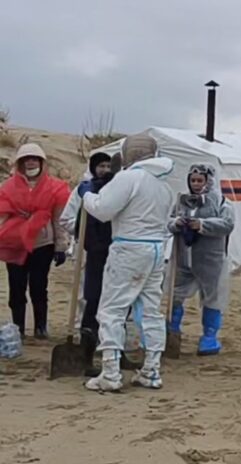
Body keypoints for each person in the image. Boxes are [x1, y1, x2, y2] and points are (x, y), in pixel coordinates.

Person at [81, 134, 174, 392]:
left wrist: (86, 195)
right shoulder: (163, 184)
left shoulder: (129, 178)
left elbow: (103, 209)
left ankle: (110, 373)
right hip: (155, 249)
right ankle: (151, 370)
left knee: (111, 309)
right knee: (151, 310)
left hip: (129, 246)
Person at [0, 143, 70, 339]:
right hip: (15, 243)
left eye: (34, 159)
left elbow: (59, 220)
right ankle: (18, 328)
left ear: (41, 162)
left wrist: (60, 246)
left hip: (42, 243)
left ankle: (40, 326)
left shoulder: (55, 188)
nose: (30, 162)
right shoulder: (7, 187)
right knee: (16, 287)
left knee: (39, 286)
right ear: (20, 163)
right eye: (26, 159)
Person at [167, 164, 235, 356]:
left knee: (212, 298)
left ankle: (209, 337)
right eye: (193, 180)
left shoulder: (221, 202)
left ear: (208, 181)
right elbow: (168, 221)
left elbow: (228, 224)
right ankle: (172, 331)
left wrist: (202, 225)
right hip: (183, 257)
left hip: (210, 259)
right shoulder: (181, 202)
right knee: (175, 295)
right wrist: (176, 223)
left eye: (200, 180)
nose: (196, 184)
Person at [73, 153, 114, 375]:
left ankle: (111, 347)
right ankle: (85, 350)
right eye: (101, 165)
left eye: (108, 165)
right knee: (92, 298)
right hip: (96, 254)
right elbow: (81, 225)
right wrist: (93, 245)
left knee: (114, 303)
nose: (105, 169)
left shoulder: (117, 189)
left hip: (116, 252)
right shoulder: (88, 190)